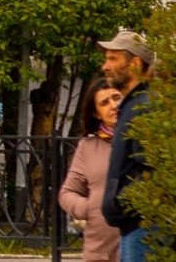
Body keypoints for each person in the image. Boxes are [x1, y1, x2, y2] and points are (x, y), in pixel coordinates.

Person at [98, 28, 155, 262]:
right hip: (133, 228)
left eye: (113, 58)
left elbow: (152, 169)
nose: (105, 66)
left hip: (143, 228)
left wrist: (121, 202)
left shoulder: (144, 108)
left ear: (134, 63)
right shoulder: (132, 106)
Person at [59, 77, 124, 262]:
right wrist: (89, 208)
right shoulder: (88, 147)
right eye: (105, 102)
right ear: (96, 113)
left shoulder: (145, 138)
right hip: (101, 250)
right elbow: (67, 192)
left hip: (141, 245)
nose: (113, 105)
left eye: (116, 97)